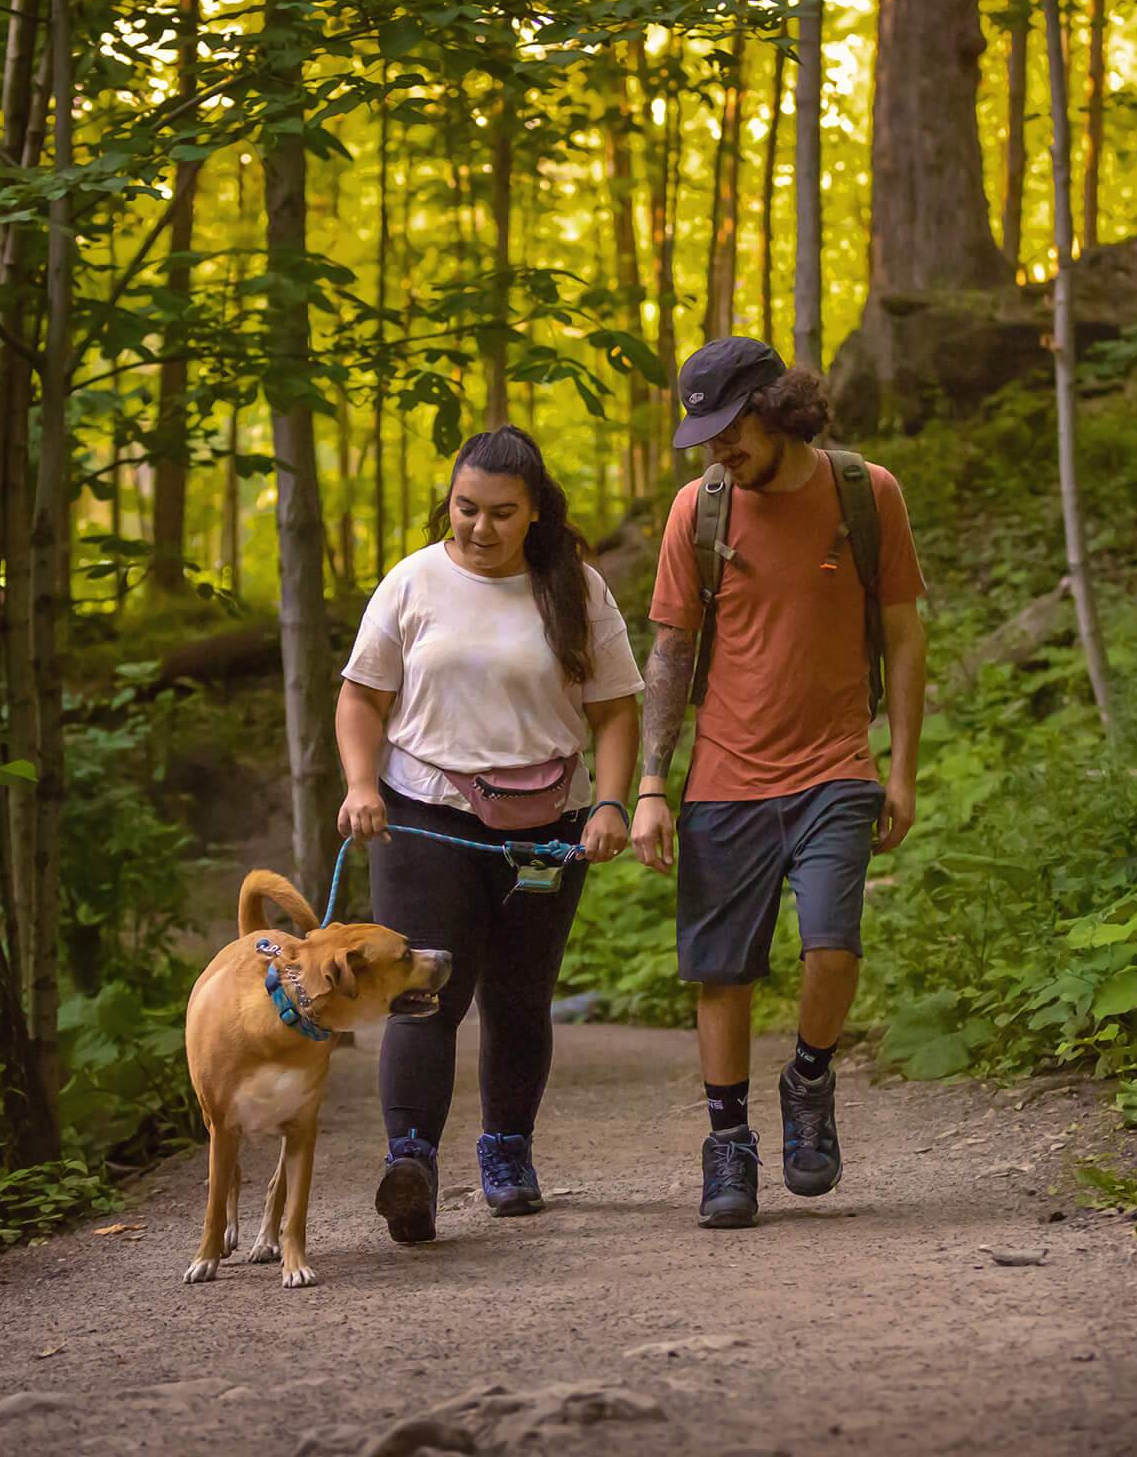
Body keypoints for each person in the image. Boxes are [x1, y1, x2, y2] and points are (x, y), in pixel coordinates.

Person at [631, 336, 928, 1229]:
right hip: (725, 775)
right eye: (706, 437)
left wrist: (902, 771)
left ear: (777, 408)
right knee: (721, 974)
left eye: (731, 429)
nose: (719, 449)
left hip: (836, 763)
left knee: (833, 946)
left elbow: (905, 636)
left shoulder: (866, 493)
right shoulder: (699, 510)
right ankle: (729, 1144)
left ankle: (808, 1079)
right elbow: (671, 650)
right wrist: (652, 783)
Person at [336, 426, 642, 1243]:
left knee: (517, 999)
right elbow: (362, 697)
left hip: (549, 825)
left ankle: (507, 1153)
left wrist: (612, 805)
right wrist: (361, 784)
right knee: (421, 993)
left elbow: (615, 711)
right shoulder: (412, 582)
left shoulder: (575, 588)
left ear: (535, 511)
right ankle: (410, 1165)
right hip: (426, 814)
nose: (479, 526)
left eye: (501, 512)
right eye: (465, 507)